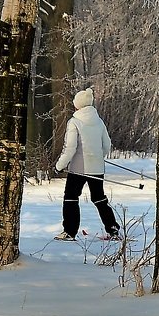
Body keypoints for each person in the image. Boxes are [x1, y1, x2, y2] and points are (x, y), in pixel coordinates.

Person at [54, 88, 120, 241]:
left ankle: (70, 232)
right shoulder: (99, 121)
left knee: (71, 197)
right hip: (97, 167)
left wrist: (59, 166)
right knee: (99, 198)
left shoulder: (74, 122)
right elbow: (107, 145)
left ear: (78, 105)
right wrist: (98, 158)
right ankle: (113, 229)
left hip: (78, 169)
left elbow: (70, 148)